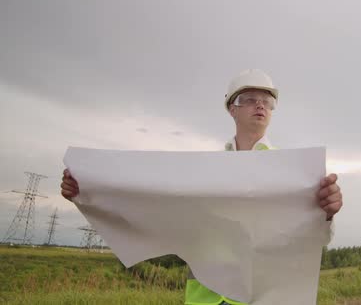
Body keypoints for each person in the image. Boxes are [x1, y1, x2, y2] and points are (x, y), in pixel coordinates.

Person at [61, 69, 343, 305]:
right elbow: (151, 203)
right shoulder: (203, 175)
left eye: (267, 102)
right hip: (204, 298)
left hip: (260, 297)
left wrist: (326, 214)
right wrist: (87, 192)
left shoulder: (293, 174)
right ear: (232, 109)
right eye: (249, 99)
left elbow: (316, 239)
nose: (260, 105)